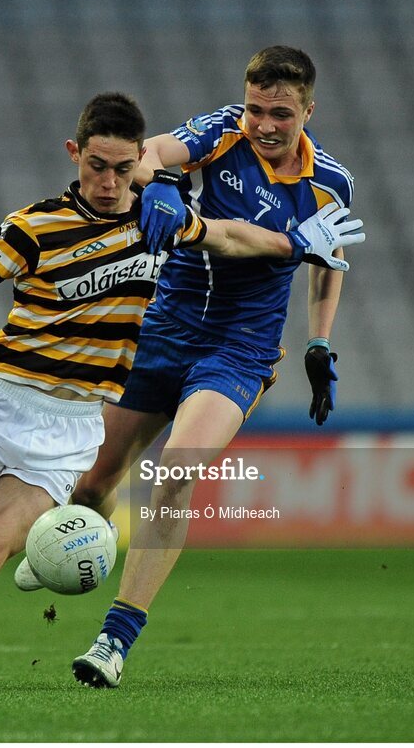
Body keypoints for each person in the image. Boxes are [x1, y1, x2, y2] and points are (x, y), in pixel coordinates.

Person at [0, 92, 361, 691]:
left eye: (124, 170)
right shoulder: (33, 226)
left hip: (68, 429)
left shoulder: (159, 223)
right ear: (75, 155)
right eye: (99, 166)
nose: (110, 181)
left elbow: (228, 236)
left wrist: (296, 248)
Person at [56, 47, 360, 688]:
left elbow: (327, 266)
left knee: (176, 470)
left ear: (309, 110)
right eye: (256, 108)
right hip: (163, 331)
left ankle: (114, 640)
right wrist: (162, 180)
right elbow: (152, 152)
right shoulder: (222, 132)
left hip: (239, 350)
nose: (264, 124)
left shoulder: (330, 182)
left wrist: (319, 344)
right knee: (89, 487)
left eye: (281, 113)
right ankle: (70, 549)